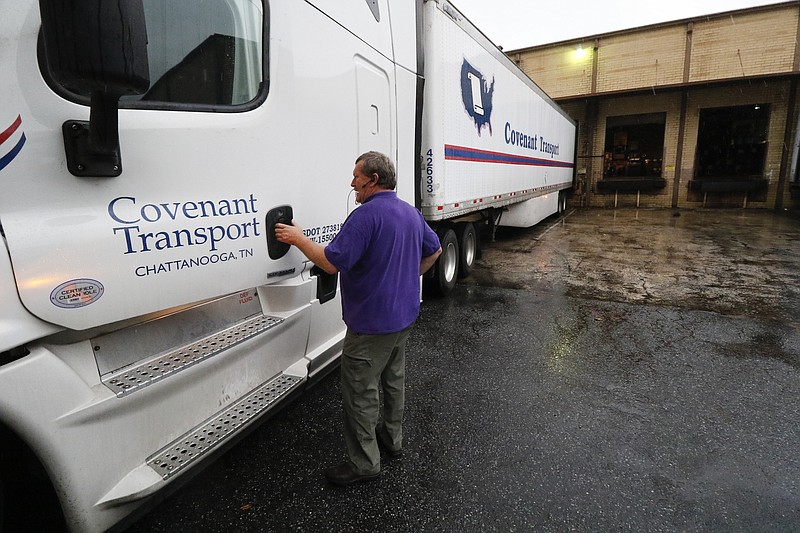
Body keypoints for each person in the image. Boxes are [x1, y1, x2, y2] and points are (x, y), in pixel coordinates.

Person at [275, 151, 442, 486]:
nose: (353, 183)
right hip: (404, 318)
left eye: (356, 177)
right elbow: (434, 249)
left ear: (373, 180)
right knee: (393, 381)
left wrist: (297, 238)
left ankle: (365, 463)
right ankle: (391, 440)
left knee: (360, 390)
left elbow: (330, 262)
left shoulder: (365, 216)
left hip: (371, 326)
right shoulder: (409, 212)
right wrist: (409, 279)